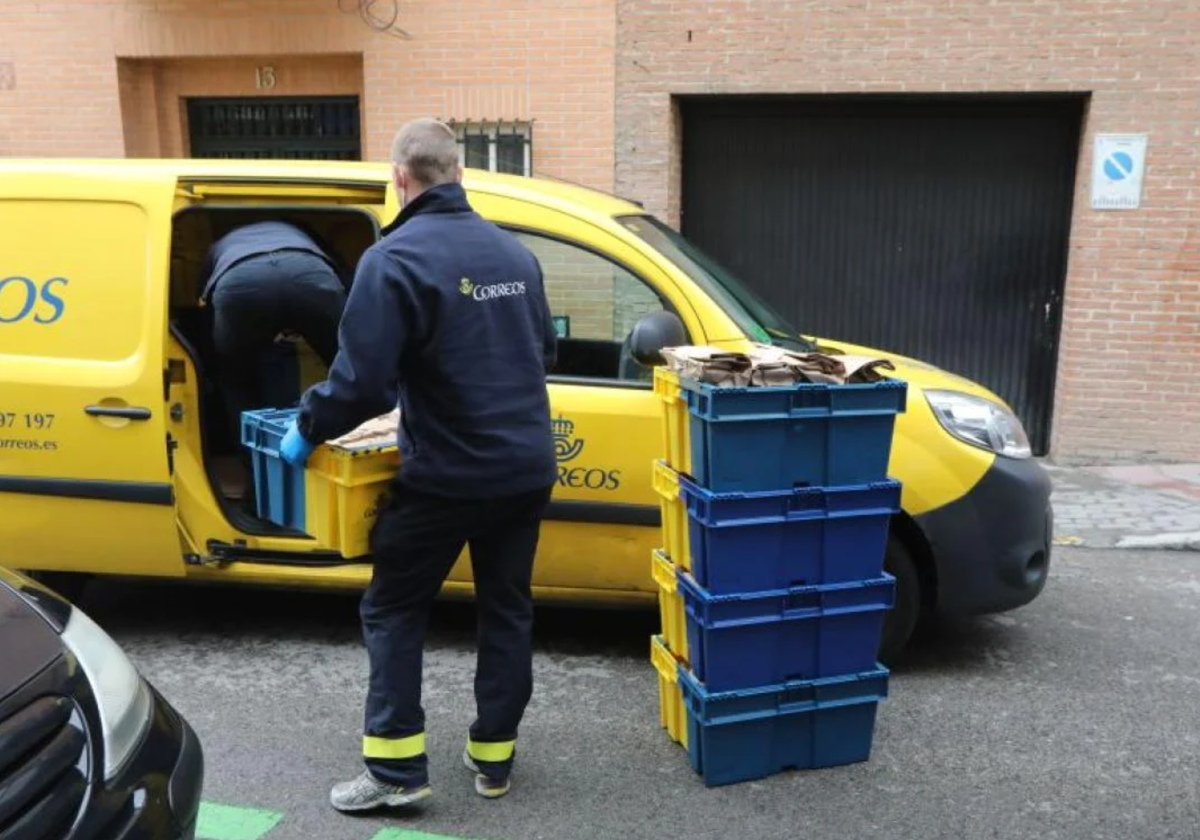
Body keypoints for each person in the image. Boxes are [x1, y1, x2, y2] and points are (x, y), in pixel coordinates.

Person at [278, 118, 557, 810]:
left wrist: (307, 428)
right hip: (523, 470)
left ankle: (396, 772)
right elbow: (541, 355)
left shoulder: (393, 260)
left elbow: (362, 384)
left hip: (448, 477)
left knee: (394, 607)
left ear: (399, 179)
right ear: (458, 173)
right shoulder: (514, 255)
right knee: (506, 607)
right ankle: (494, 759)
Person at [201, 220, 348, 446]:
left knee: (236, 381)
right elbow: (345, 276)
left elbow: (204, 301)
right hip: (309, 271)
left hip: (239, 280)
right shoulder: (299, 229)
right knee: (350, 366)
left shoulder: (219, 246)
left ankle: (255, 469)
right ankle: (357, 447)